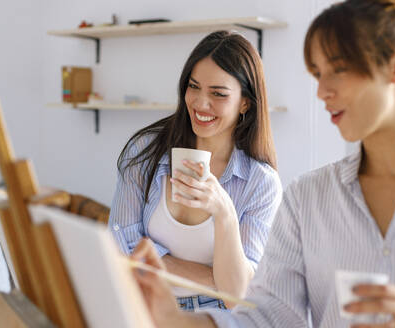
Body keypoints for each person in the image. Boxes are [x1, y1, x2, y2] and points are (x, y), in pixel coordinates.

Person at [130, 0, 395, 327]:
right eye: (318, 74)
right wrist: (173, 319)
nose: (322, 91)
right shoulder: (307, 197)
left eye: (339, 69)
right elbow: (266, 318)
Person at [108, 30, 282, 311]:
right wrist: (214, 277)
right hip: (148, 305)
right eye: (194, 86)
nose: (201, 103)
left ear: (245, 103)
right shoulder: (145, 152)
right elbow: (120, 246)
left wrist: (224, 211)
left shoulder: (260, 182)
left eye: (218, 93)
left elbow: (239, 295)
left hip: (218, 315)